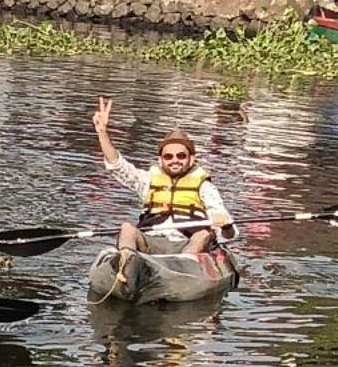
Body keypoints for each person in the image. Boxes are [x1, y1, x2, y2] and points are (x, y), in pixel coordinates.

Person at [93, 97, 234, 255]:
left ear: (191, 159)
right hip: (152, 240)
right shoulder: (148, 181)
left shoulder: (204, 187)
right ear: (160, 160)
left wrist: (225, 225)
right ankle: (126, 262)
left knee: (203, 235)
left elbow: (230, 234)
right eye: (168, 156)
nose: (175, 160)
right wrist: (102, 133)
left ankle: (183, 266)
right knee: (127, 228)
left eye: (181, 156)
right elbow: (117, 166)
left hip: (187, 243)